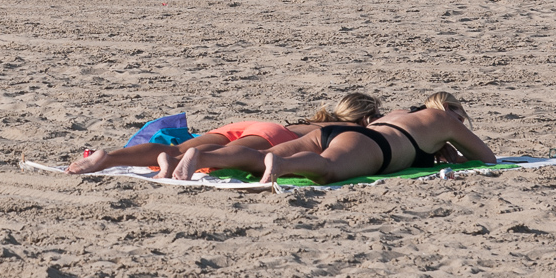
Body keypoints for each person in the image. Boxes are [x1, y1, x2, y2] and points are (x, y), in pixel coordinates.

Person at [172, 91, 496, 185]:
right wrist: (455, 152)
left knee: (256, 161)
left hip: (332, 132)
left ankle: (203, 157)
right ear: (449, 109)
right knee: (326, 169)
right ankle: (282, 164)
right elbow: (487, 158)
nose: (461, 123)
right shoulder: (443, 119)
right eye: (461, 117)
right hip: (373, 147)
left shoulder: (399, 112)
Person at [64, 93, 381, 176]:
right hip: (273, 134)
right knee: (218, 156)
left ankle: (107, 158)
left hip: (249, 123)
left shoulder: (317, 119)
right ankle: (196, 160)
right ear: (367, 118)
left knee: (176, 150)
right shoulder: (355, 132)